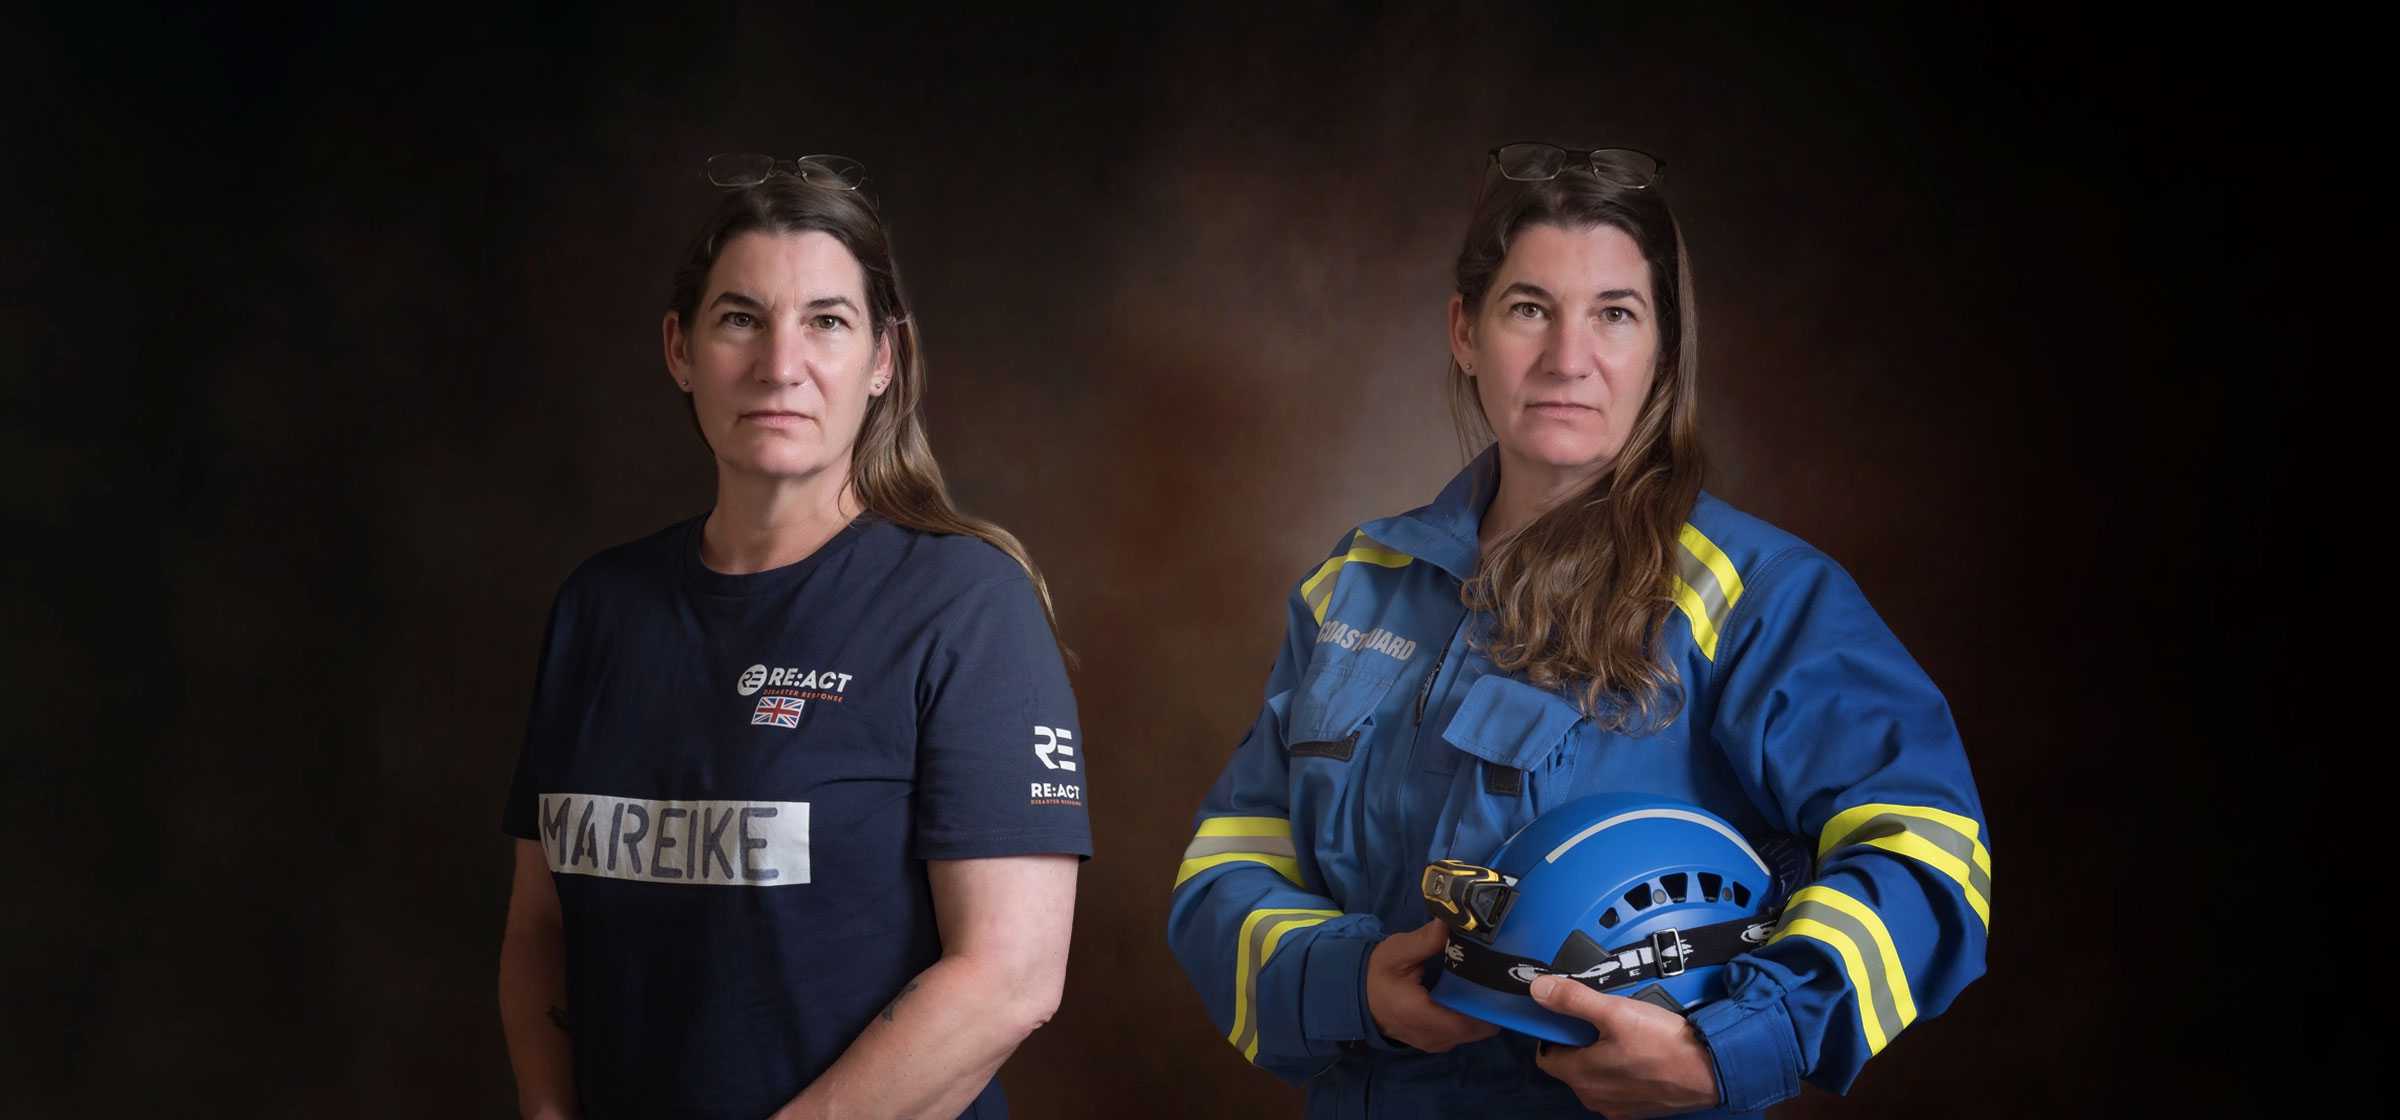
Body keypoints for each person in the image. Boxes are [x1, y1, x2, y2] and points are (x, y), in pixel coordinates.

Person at [1166, 142, 1989, 1118]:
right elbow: (1229, 864)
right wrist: (1350, 983)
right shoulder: (1357, 587)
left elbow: (1929, 848)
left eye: (1615, 313)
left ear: (1663, 350)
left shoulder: (1755, 597)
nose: (1568, 358)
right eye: (1529, 309)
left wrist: (1734, 1043)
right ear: (1465, 332)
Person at [496, 154, 1089, 1120]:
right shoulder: (599, 609)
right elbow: (539, 931)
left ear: (883, 358)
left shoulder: (967, 605)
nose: (781, 365)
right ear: (681, 349)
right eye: (741, 318)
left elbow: (1011, 978)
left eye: (827, 321)